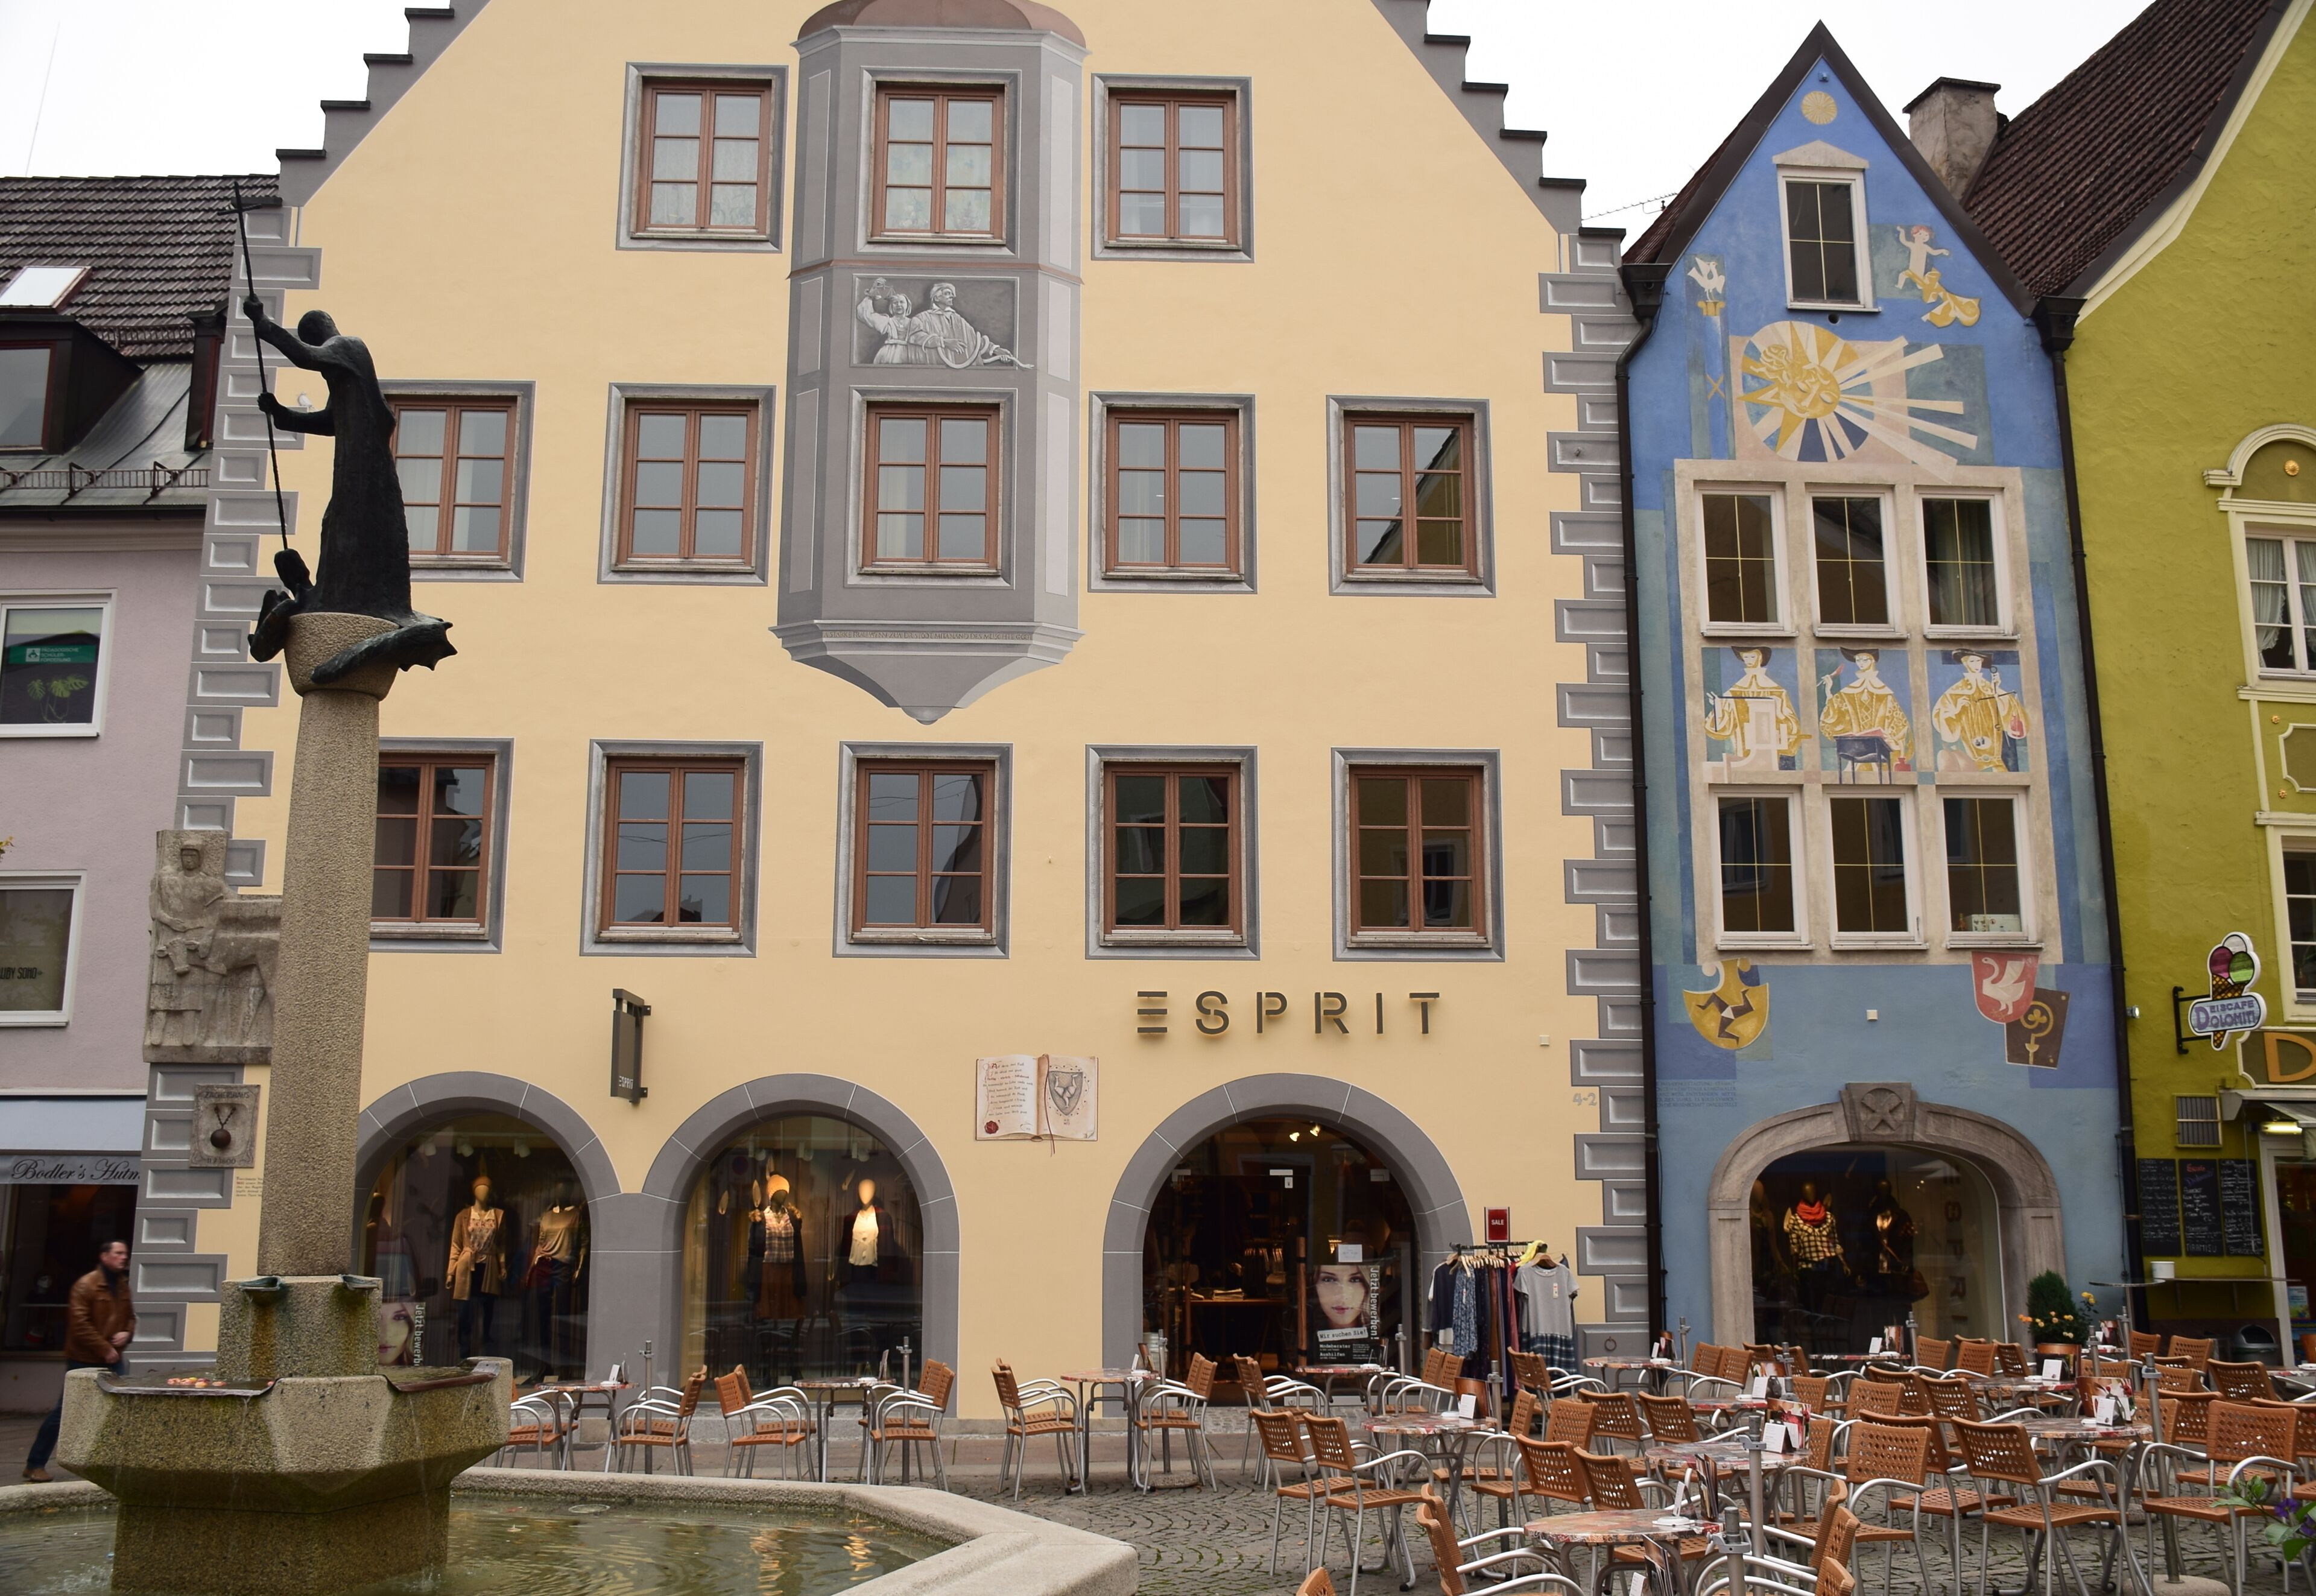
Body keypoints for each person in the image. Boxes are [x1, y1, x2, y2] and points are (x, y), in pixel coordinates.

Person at [22, 1240, 133, 1483]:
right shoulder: (86, 1286)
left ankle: (110, 1464)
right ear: (104, 1256)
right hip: (84, 1359)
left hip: (113, 1358)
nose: (124, 1258)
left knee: (118, 1410)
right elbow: (80, 1325)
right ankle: (35, 1464)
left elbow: (130, 1318)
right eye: (118, 1254)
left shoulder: (122, 1285)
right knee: (64, 1412)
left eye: (125, 1254)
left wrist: (127, 1333)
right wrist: (104, 1348)